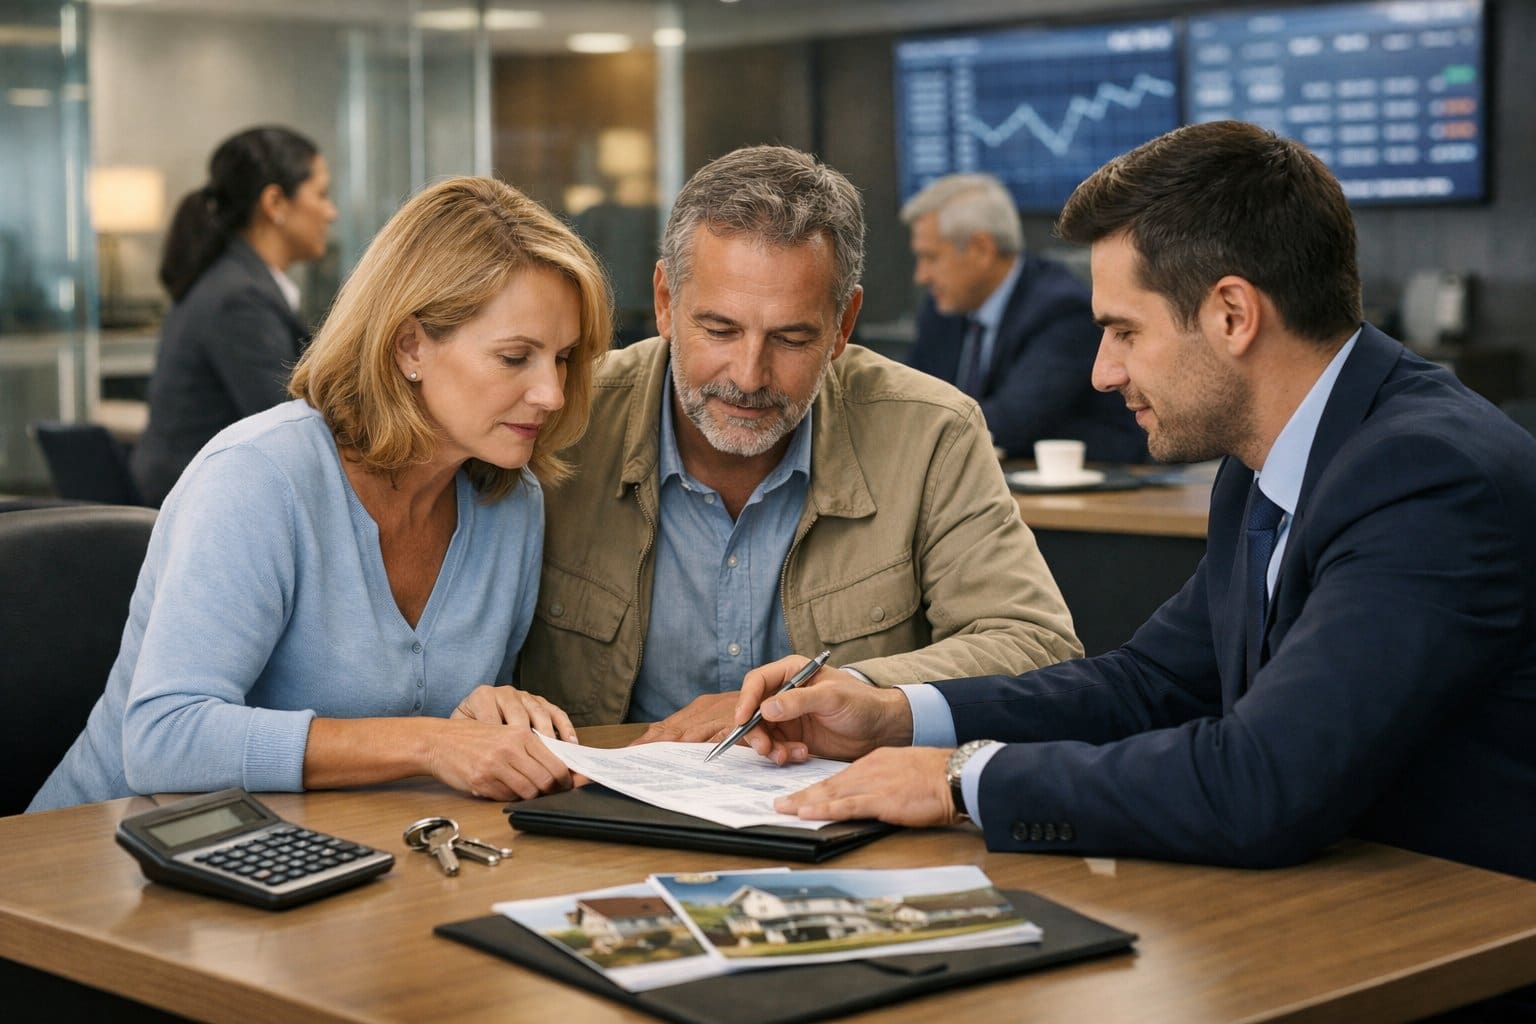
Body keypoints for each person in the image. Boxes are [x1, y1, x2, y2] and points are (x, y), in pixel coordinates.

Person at [729, 121, 1536, 884]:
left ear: (1232, 315)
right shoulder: (1269, 458)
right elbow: (1148, 684)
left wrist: (961, 776)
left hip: (1468, 942)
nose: (1102, 374)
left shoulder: (1426, 478)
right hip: (1355, 902)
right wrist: (893, 713)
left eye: (1124, 332)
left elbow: (1262, 783)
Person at [29, 176, 612, 811]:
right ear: (410, 345)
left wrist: (478, 714)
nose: (551, 394)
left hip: (318, 863)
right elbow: (164, 738)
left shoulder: (510, 503)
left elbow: (441, 730)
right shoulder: (258, 477)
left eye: (562, 358)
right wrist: (430, 742)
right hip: (101, 863)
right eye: (514, 357)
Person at [512, 145, 1081, 736]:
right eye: (719, 329)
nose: (749, 376)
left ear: (843, 325)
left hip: (832, 808)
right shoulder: (560, 419)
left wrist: (851, 692)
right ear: (664, 302)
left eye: (791, 338)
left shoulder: (933, 431)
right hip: (595, 811)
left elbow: (1037, 645)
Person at [132, 126, 338, 506]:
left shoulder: (235, 281)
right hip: (201, 506)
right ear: (275, 202)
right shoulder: (240, 299)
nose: (331, 212)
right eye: (322, 195)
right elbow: (291, 426)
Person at [902, 173, 1143, 463]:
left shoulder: (1060, 308)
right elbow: (909, 401)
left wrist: (917, 424)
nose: (920, 275)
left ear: (981, 249)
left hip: (1100, 489)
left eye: (931, 257)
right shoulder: (943, 308)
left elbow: (1014, 420)